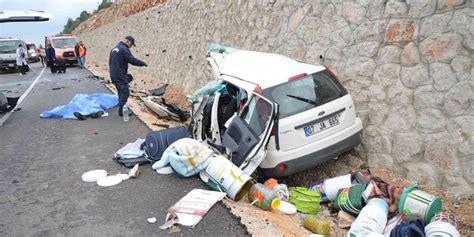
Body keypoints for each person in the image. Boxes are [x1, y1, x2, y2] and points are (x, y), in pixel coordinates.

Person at [109, 36, 147, 117]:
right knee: (125, 92)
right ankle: (121, 111)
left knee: (120, 92)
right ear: (128, 41)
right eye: (131, 44)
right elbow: (131, 60)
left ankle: (121, 108)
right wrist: (142, 63)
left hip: (114, 74)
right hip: (119, 75)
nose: (131, 46)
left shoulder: (114, 49)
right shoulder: (124, 49)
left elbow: (110, 62)